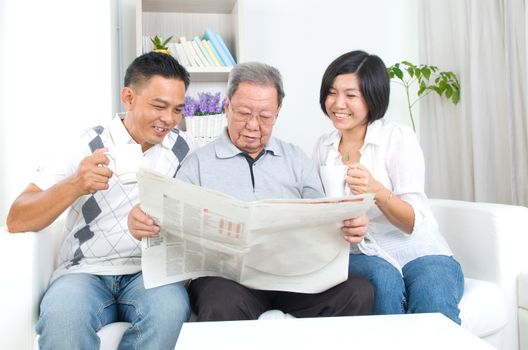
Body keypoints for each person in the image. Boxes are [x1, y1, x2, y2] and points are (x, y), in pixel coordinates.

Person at [128, 61, 374, 321]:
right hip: (229, 281)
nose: (253, 126)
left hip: (293, 277)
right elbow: (171, 227)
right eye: (244, 113)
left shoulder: (296, 159)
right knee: (220, 301)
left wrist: (348, 224)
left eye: (265, 117)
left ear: (277, 113)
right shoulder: (197, 164)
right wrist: (147, 222)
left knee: (359, 292)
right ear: (226, 107)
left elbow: (325, 218)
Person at [6, 52, 194, 349]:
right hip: (83, 272)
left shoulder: (185, 149)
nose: (168, 120)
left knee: (170, 310)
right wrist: (74, 185)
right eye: (159, 106)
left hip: (150, 274)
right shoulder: (86, 144)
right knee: (63, 319)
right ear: (128, 98)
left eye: (177, 110)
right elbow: (17, 217)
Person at [313, 50, 464, 323]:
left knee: (433, 295)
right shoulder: (323, 148)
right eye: (332, 93)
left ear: (372, 97)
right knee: (383, 284)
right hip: (360, 252)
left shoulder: (398, 138)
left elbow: (412, 223)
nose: (338, 103)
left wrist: (376, 190)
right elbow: (317, 213)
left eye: (350, 95)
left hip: (416, 248)